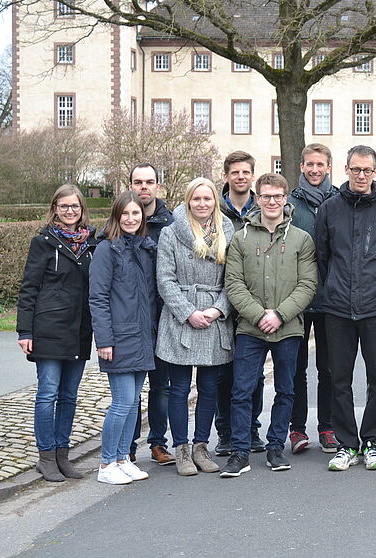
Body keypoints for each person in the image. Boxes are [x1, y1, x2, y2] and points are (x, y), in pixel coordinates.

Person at [220, 173, 317, 477]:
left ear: (286, 198)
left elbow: (307, 284)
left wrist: (280, 314)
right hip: (250, 328)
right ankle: (239, 451)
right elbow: (233, 284)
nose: (272, 202)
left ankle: (276, 446)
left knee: (286, 390)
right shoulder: (241, 238)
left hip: (288, 328)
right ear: (257, 198)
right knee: (242, 390)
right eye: (266, 196)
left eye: (277, 196)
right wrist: (259, 314)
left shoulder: (301, 238)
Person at [316, 145, 376, 471]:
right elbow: (322, 257)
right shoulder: (330, 209)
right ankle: (346, 444)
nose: (361, 176)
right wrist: (334, 287)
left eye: (367, 170)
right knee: (339, 378)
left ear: (375, 172)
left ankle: (372, 441)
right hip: (338, 308)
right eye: (356, 170)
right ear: (346, 169)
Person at [16, 184, 97, 482]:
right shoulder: (43, 242)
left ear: (81, 209)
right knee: (47, 393)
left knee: (69, 395)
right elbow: (29, 288)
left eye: (74, 206)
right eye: (64, 206)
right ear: (55, 209)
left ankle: (63, 455)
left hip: (79, 328)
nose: (70, 211)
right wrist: (25, 330)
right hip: (48, 328)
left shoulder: (92, 243)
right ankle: (46, 456)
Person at [155, 178, 235, 476]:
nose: (202, 204)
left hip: (215, 317)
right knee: (177, 388)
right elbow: (165, 279)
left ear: (215, 201)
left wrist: (217, 309)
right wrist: (188, 312)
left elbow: (234, 279)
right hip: (181, 317)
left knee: (209, 387)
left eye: (208, 198)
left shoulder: (228, 231)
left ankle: (202, 445)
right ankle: (181, 449)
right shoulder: (170, 233)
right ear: (188, 201)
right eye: (196, 199)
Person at [89, 191, 158, 485]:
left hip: (142, 337)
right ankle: (106, 464)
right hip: (118, 338)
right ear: (116, 216)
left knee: (133, 403)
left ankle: (122, 458)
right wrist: (104, 340)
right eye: (125, 214)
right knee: (122, 402)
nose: (131, 219)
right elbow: (98, 297)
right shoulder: (107, 250)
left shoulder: (145, 247)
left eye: (136, 214)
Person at [287, 143, 341, 454]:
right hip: (297, 298)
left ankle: (328, 427)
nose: (315, 169)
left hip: (331, 297)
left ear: (328, 166)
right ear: (302, 167)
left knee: (329, 368)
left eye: (320, 164)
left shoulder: (339, 200)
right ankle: (296, 428)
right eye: (309, 164)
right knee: (296, 367)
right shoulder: (290, 204)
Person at [214, 151, 266, 455]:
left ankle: (250, 429)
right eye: (235, 172)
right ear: (226, 176)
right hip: (220, 299)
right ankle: (225, 432)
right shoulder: (214, 210)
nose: (241, 177)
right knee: (224, 371)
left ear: (252, 176)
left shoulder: (261, 209)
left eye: (246, 172)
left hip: (252, 301)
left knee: (253, 372)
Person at [128, 163, 174, 466]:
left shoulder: (170, 224)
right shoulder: (120, 222)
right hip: (130, 321)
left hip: (163, 318)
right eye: (138, 182)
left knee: (161, 387)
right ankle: (127, 445)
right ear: (130, 185)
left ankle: (158, 443)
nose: (144, 187)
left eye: (149, 182)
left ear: (158, 186)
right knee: (130, 389)